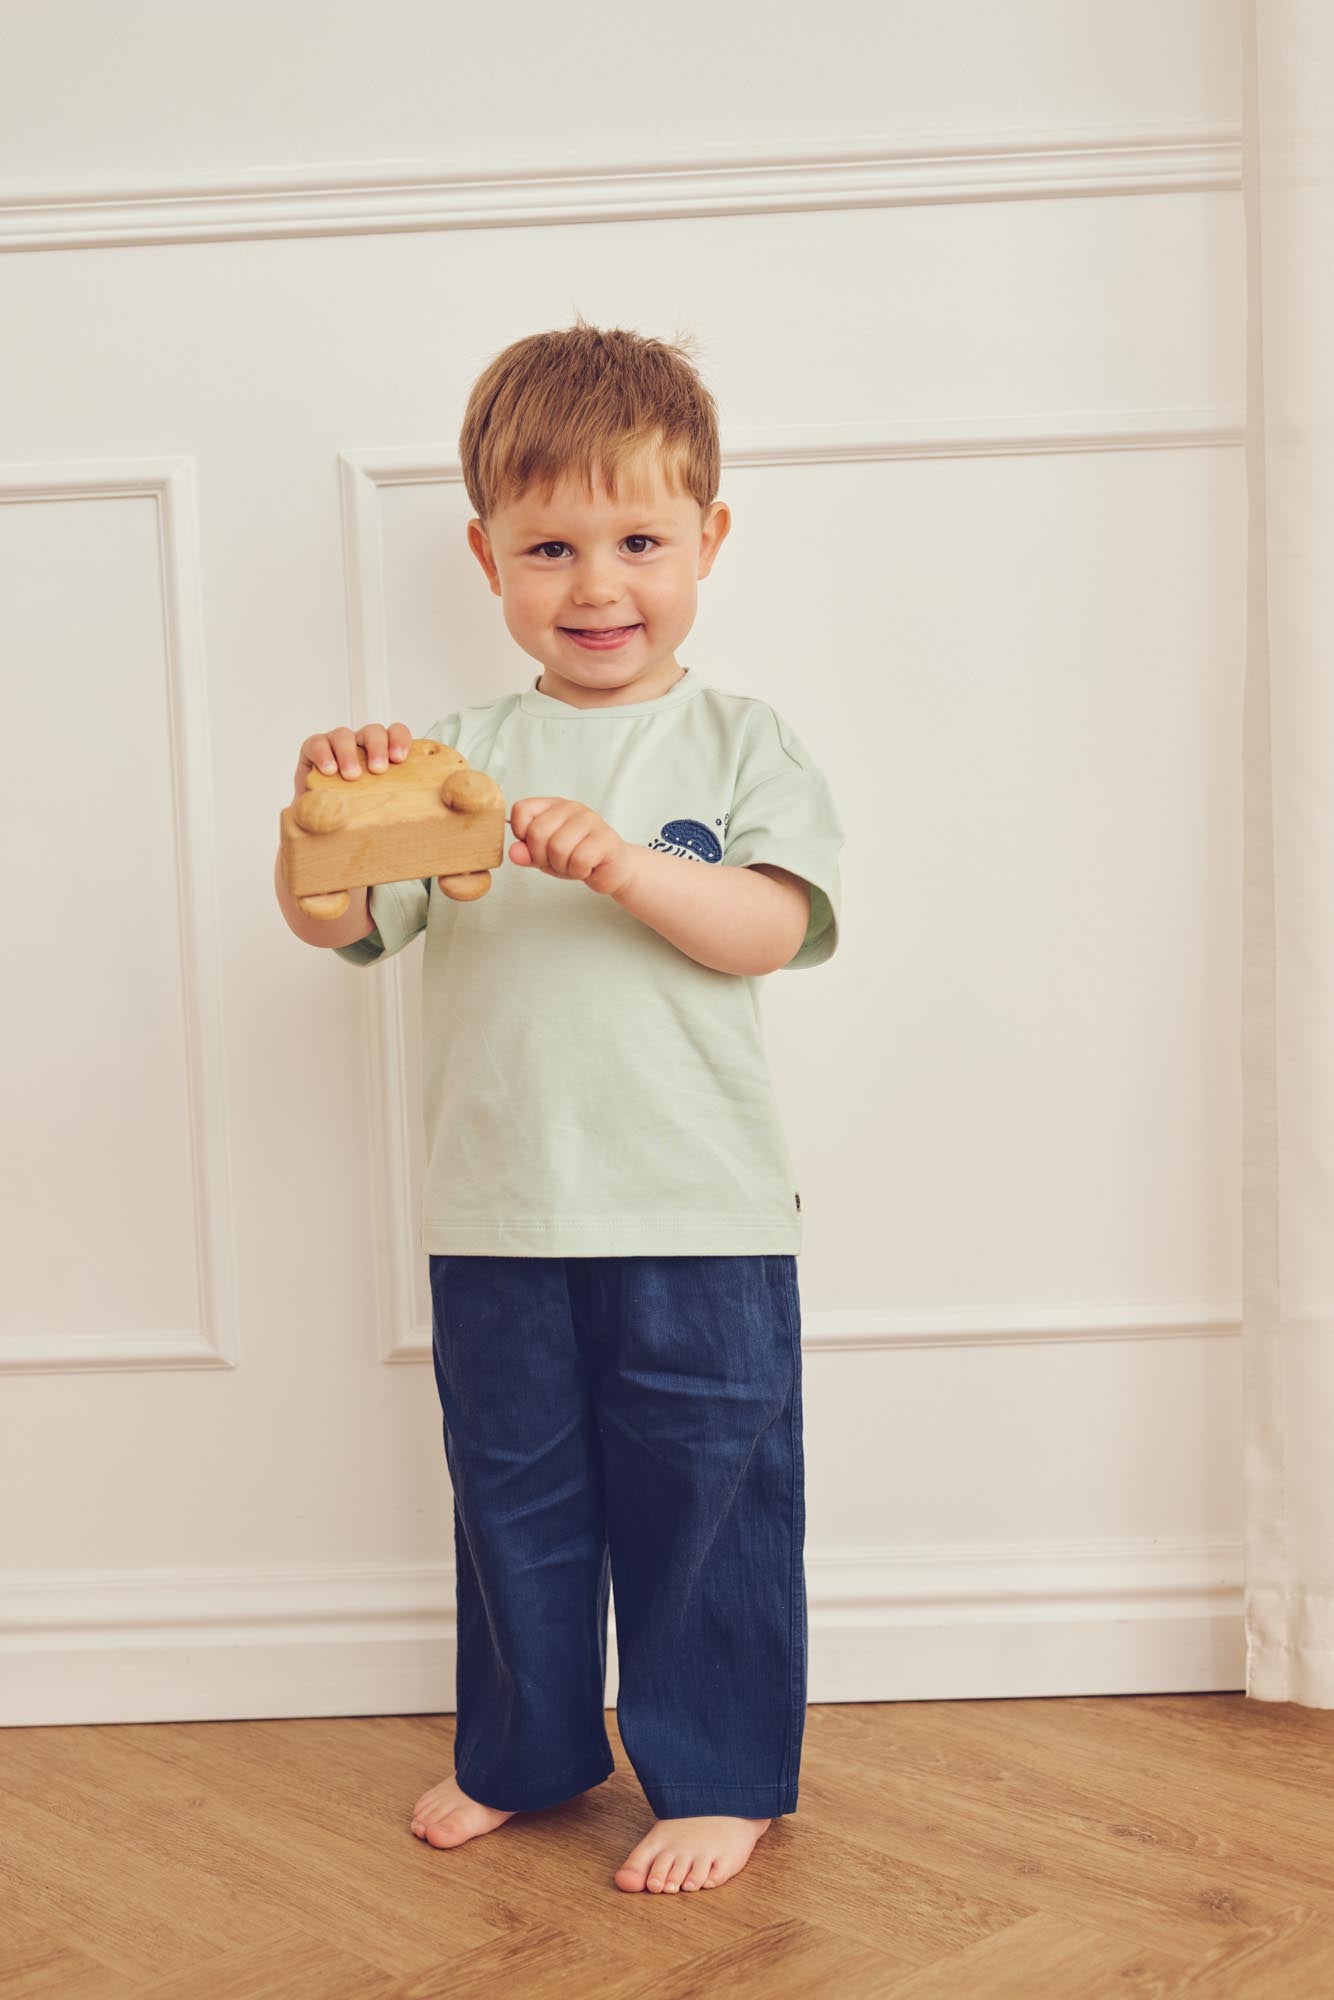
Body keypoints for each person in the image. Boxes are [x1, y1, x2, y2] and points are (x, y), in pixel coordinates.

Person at [274, 318, 844, 1894]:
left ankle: (720, 1771)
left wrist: (625, 860)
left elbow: (772, 929)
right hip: (500, 1209)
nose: (597, 585)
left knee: (707, 1505)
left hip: (700, 1213)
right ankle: (522, 1751)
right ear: (486, 558)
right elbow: (334, 925)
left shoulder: (741, 744)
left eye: (639, 540)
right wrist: (317, 813)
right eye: (550, 547)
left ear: (708, 541)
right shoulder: (449, 758)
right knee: (513, 1500)